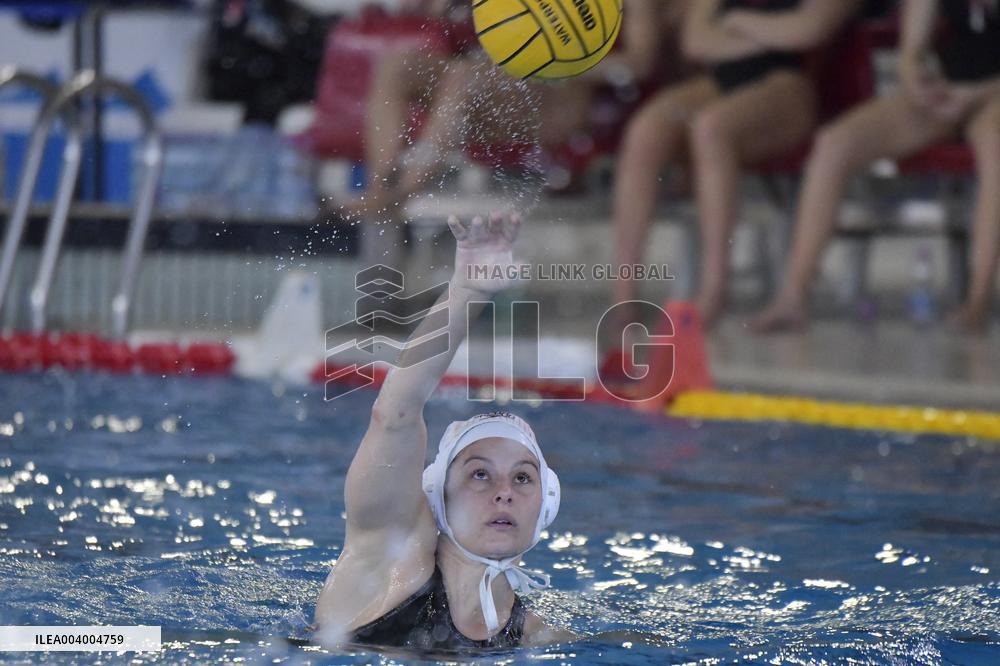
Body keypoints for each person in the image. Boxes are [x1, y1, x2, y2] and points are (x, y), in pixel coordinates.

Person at [312, 212, 573, 651]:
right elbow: (394, 415)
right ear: (438, 496)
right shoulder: (388, 566)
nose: (504, 493)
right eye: (480, 474)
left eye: (523, 478)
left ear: (546, 505)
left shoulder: (540, 638)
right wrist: (466, 292)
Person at [609, 0, 865, 331]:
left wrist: (738, 21)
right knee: (646, 130)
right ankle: (624, 296)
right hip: (724, 82)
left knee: (712, 128)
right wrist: (773, 35)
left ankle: (714, 290)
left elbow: (809, 31)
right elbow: (695, 41)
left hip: (790, 86)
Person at [752, 0, 1000, 334]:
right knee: (834, 143)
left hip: (992, 93)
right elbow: (911, 53)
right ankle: (793, 297)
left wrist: (978, 94)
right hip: (950, 89)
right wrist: (917, 83)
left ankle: (978, 299)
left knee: (994, 143)